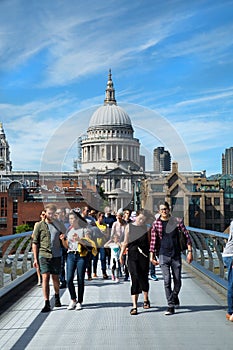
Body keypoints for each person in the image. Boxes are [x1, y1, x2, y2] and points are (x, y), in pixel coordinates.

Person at [150, 201, 193, 316]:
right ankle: (170, 305)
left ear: (169, 210)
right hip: (163, 254)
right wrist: (152, 256)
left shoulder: (177, 221)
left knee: (178, 280)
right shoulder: (156, 224)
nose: (164, 211)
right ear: (159, 211)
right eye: (161, 209)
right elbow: (153, 242)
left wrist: (190, 252)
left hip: (176, 255)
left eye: (165, 209)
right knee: (166, 280)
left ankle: (174, 296)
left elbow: (187, 237)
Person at [32, 203, 66, 313]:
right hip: (43, 255)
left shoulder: (59, 224)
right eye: (49, 213)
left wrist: (63, 238)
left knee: (55, 278)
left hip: (56, 255)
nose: (50, 215)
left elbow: (66, 235)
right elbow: (35, 242)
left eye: (52, 213)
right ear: (45, 213)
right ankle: (46, 302)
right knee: (45, 278)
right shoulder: (39, 226)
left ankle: (56, 296)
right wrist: (35, 258)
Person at [120, 211, 151, 315]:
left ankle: (146, 298)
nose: (141, 221)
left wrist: (152, 256)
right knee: (135, 277)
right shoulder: (129, 227)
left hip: (144, 256)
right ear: (136, 217)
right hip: (132, 255)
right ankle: (134, 306)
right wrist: (121, 255)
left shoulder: (146, 228)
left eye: (143, 220)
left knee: (143, 278)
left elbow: (150, 243)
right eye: (140, 218)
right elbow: (125, 241)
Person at [60, 210, 92, 310]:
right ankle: (73, 299)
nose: (71, 221)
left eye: (73, 218)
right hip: (71, 255)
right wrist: (62, 240)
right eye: (69, 219)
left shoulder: (84, 229)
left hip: (81, 255)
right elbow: (66, 246)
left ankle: (80, 301)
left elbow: (89, 244)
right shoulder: (69, 230)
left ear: (77, 219)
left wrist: (79, 240)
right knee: (69, 279)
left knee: (80, 279)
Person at [93, 212, 110, 279]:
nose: (103, 218)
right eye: (102, 217)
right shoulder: (94, 225)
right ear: (98, 217)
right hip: (95, 244)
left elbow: (107, 235)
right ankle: (94, 272)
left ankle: (104, 272)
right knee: (95, 258)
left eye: (103, 217)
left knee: (103, 258)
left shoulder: (105, 226)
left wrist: (104, 234)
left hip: (102, 244)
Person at [56, 207, 70, 289]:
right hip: (59, 246)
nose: (58, 215)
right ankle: (63, 280)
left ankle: (69, 279)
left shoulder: (69, 223)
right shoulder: (56, 223)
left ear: (63, 213)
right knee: (61, 264)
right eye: (57, 214)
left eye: (59, 213)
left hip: (68, 245)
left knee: (69, 264)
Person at [32, 210, 46, 286]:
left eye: (45, 214)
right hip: (38, 245)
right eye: (43, 215)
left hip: (45, 247)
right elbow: (33, 235)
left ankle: (44, 278)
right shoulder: (37, 224)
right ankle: (39, 279)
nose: (44, 216)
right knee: (37, 262)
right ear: (40, 216)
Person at [222, 219, 233, 322]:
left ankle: (230, 312)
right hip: (231, 256)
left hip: (229, 254)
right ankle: (230, 311)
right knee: (232, 284)